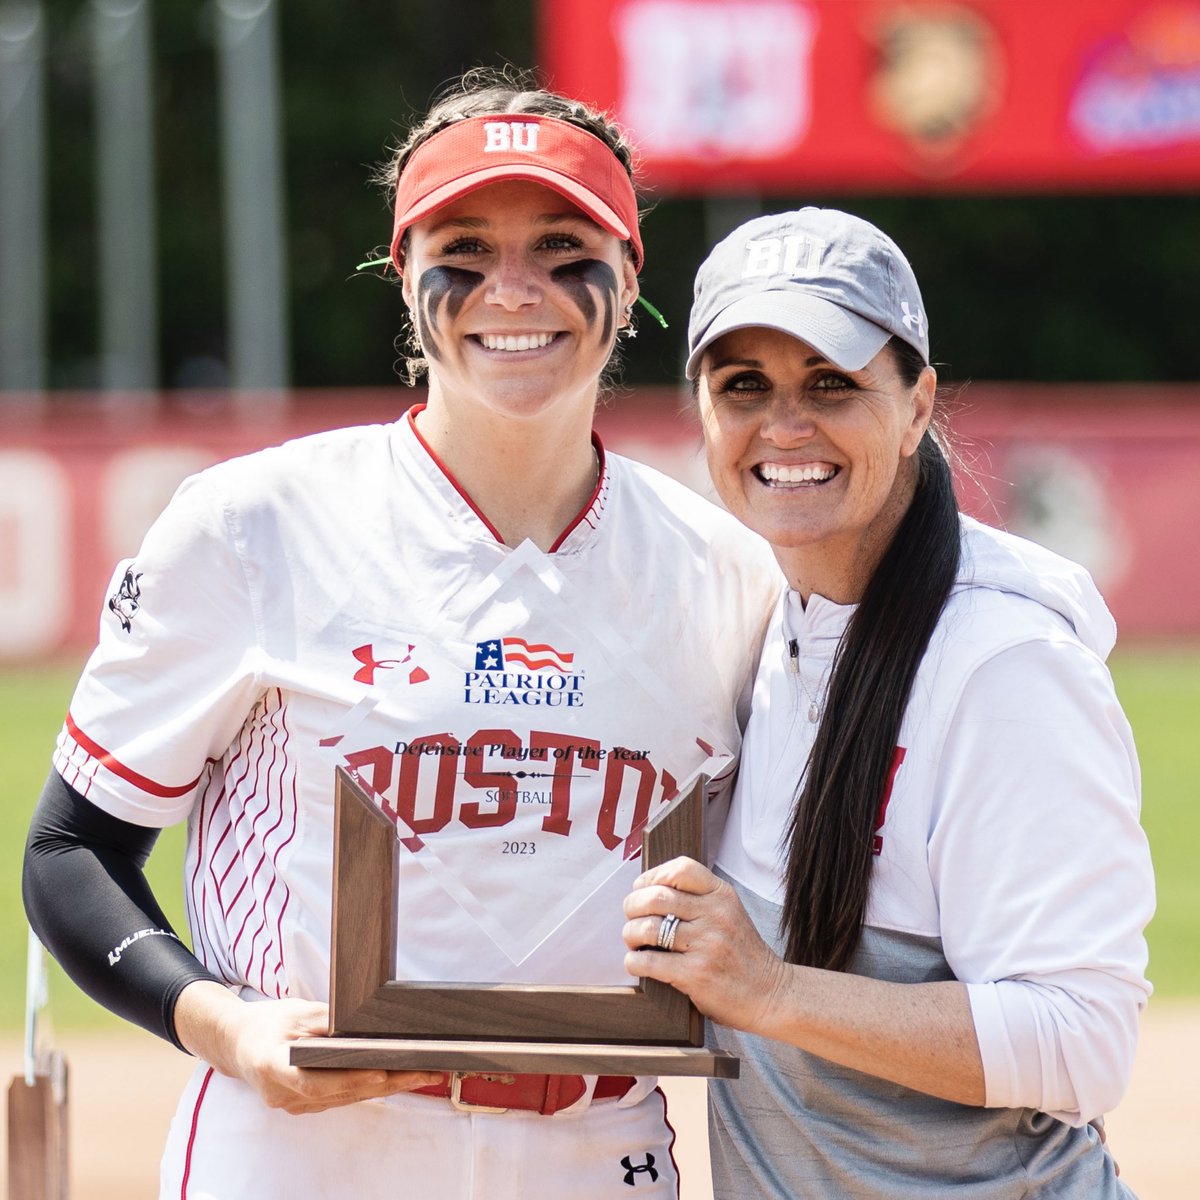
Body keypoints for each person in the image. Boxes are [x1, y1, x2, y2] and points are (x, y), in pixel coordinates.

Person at [22, 73, 781, 1199]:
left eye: (564, 244)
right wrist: (222, 1026)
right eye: (464, 245)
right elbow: (72, 853)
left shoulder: (726, 573)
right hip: (307, 1145)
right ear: (402, 273)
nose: (511, 288)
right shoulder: (255, 526)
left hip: (598, 1141)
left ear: (629, 278)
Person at [623, 207, 1155, 1197]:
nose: (785, 425)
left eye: (832, 383)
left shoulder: (1005, 660)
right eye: (744, 387)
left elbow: (1083, 1044)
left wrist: (770, 991)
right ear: (700, 412)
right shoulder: (749, 617)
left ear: (916, 406)